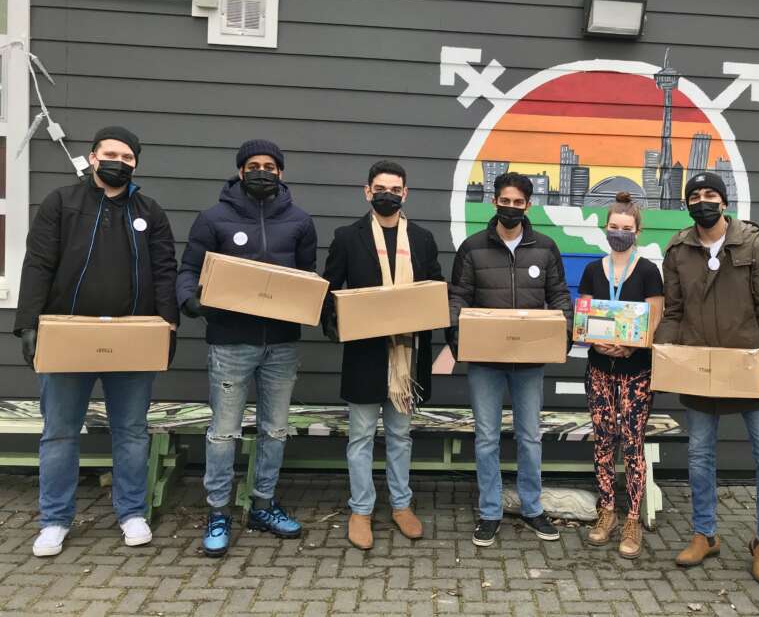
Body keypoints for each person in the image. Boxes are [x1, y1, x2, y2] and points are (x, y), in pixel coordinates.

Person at [15, 126, 179, 557]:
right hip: (68, 336)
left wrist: (169, 325)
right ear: (92, 157)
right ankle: (54, 520)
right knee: (60, 433)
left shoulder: (149, 211)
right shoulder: (61, 203)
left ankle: (132, 512)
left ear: (135, 164)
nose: (118, 163)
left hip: (132, 338)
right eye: (111, 154)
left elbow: (165, 270)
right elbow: (38, 263)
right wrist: (28, 323)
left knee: (132, 432)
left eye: (127, 158)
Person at [176, 140, 317, 557]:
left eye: (270, 166)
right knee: (223, 433)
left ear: (281, 173)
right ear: (240, 171)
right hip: (230, 342)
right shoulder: (213, 218)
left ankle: (263, 504)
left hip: (281, 343)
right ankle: (218, 511)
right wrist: (190, 300)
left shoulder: (300, 221)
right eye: (253, 165)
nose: (262, 172)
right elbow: (188, 270)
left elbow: (307, 275)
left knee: (275, 430)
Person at [660, 171, 759, 587]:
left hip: (749, 366)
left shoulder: (754, 246)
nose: (703, 201)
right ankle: (705, 534)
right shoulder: (678, 250)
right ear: (687, 204)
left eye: (710, 194)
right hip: (700, 366)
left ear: (724, 202)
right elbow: (674, 311)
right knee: (700, 456)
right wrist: (663, 354)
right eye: (695, 196)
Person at [322, 160, 444, 551]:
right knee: (360, 436)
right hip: (364, 354)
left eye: (394, 189)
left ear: (405, 194)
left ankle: (401, 504)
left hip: (407, 357)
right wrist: (338, 325)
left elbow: (436, 289)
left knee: (400, 436)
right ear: (367, 191)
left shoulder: (422, 239)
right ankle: (360, 509)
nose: (387, 195)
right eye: (380, 189)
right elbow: (329, 291)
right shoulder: (347, 237)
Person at [449, 171, 573, 547]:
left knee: (530, 437)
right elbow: (458, 298)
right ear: (494, 202)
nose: (511, 208)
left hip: (529, 360)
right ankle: (490, 511)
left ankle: (532, 507)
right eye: (505, 201)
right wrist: (458, 340)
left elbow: (559, 295)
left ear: (528, 206)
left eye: (518, 202)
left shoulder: (545, 248)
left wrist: (563, 335)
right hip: (485, 361)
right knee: (486, 438)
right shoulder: (472, 248)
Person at [579, 192, 663, 559]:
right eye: (614, 226)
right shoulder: (591, 270)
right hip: (599, 369)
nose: (619, 233)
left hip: (635, 372)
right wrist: (596, 343)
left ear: (637, 232)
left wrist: (631, 348)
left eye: (626, 228)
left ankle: (632, 518)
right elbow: (583, 318)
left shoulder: (648, 271)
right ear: (605, 228)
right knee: (602, 441)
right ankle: (607, 510)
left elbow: (654, 318)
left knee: (632, 443)